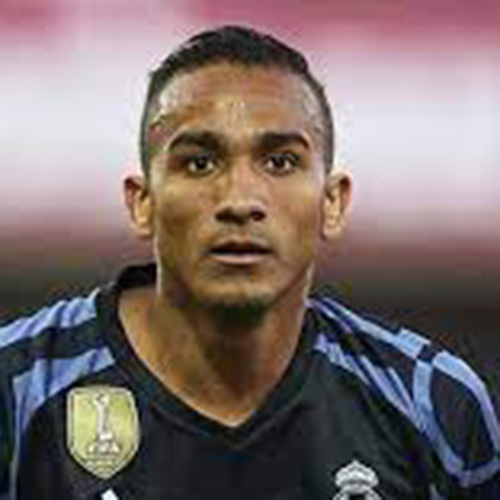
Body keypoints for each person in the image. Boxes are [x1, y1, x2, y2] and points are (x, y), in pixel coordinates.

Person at [0, 26, 498, 500]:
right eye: (199, 163)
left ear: (332, 202)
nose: (240, 200)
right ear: (142, 203)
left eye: (280, 162)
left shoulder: (432, 403)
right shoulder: (17, 388)